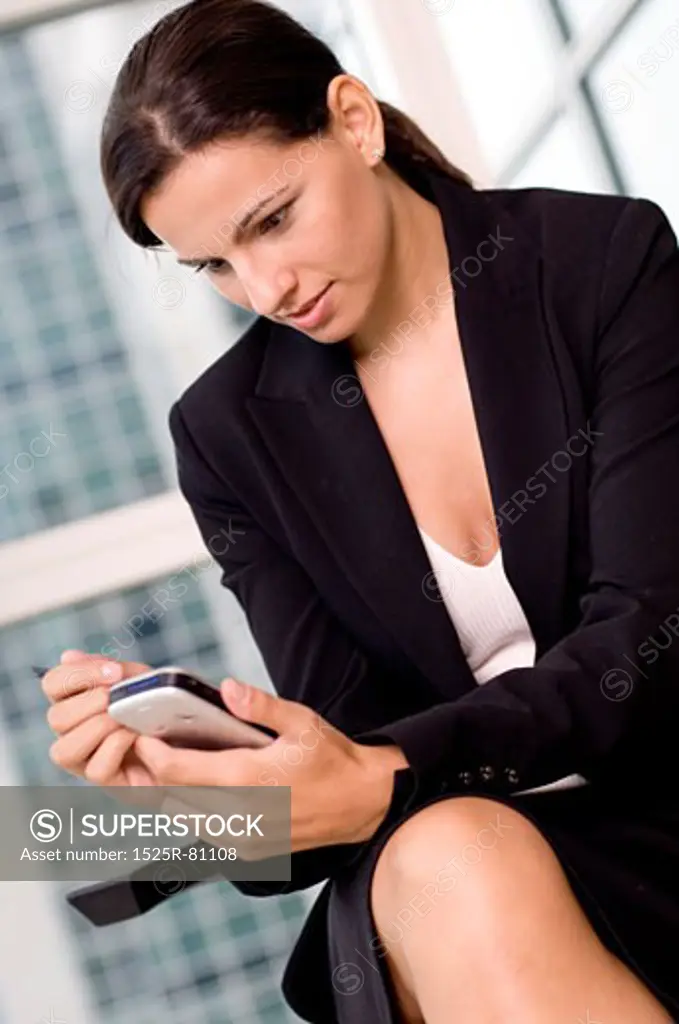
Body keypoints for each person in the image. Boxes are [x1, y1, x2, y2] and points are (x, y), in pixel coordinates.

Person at [41, 1, 679, 1021]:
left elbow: (646, 639)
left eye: (272, 219)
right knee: (448, 856)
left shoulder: (598, 264)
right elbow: (343, 748)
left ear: (353, 120)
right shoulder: (228, 434)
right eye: (212, 265)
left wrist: (382, 769)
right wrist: (216, 773)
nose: (266, 287)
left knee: (446, 848)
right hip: (453, 869)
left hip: (653, 805)